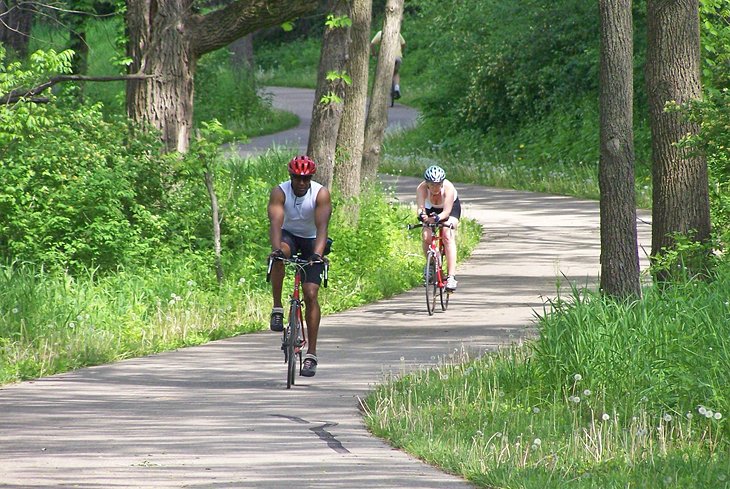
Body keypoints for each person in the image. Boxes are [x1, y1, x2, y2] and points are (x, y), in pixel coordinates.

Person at [267, 155, 332, 377]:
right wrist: (276, 249)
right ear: (291, 176)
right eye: (297, 178)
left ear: (311, 178)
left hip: (312, 239)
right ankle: (277, 307)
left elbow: (322, 227)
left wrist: (317, 255)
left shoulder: (320, 193)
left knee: (310, 293)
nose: (301, 183)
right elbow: (275, 224)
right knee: (279, 256)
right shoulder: (280, 192)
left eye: (306, 179)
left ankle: (311, 354)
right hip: (288, 236)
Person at [416, 165, 461, 291]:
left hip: (449, 209)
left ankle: (451, 277)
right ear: (427, 184)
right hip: (431, 209)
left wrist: (436, 219)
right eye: (432, 185)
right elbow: (420, 208)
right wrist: (422, 215)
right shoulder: (421, 188)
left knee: (447, 235)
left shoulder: (448, 188)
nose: (436, 188)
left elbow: (446, 212)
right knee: (426, 236)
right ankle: (431, 264)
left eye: (438, 184)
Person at [370, 29, 406, 99]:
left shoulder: (380, 33)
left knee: (382, 72)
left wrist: (374, 54)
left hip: (385, 58)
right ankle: (396, 88)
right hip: (397, 57)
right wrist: (401, 52)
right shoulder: (397, 33)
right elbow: (403, 43)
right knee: (395, 72)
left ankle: (381, 91)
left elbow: (372, 44)